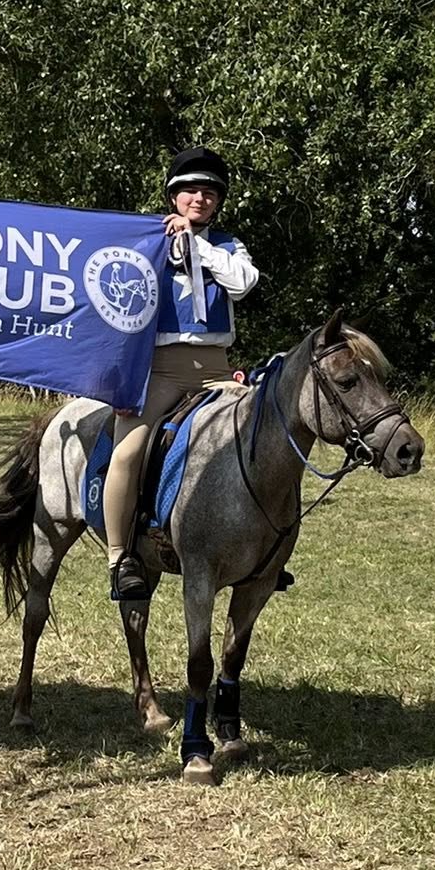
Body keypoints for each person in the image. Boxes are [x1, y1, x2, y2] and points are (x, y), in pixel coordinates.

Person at [102, 146, 258, 603]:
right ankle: (119, 557)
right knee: (128, 453)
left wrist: (198, 245)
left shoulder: (228, 245)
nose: (199, 198)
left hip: (217, 370)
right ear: (173, 197)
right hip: (160, 370)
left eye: (209, 192)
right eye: (189, 190)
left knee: (260, 439)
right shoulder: (145, 239)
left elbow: (243, 284)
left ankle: (263, 549)